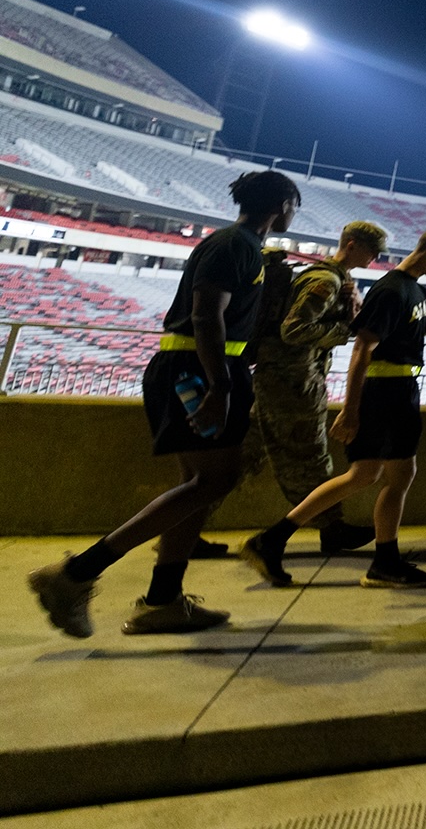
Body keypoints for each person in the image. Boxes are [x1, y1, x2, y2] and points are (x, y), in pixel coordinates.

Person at [29, 171, 303, 638]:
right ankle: (75, 574)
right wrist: (219, 387)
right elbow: (206, 315)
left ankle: (163, 600)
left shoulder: (244, 247)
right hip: (198, 369)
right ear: (282, 204)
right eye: (294, 205)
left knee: (198, 485)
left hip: (202, 366)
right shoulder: (234, 245)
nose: (294, 213)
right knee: (214, 479)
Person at [242, 225, 426, 589]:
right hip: (387, 393)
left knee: (365, 475)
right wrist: (350, 410)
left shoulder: (415, 291)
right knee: (395, 475)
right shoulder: (391, 290)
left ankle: (275, 539)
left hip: (399, 390)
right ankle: (383, 561)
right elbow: (362, 348)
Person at [241, 219, 388, 557]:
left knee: (243, 456)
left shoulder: (337, 279)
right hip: (293, 382)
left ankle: (185, 527)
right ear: (351, 245)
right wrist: (345, 330)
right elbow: (294, 330)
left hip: (284, 379)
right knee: (312, 456)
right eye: (371, 251)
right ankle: (331, 527)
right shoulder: (325, 280)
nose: (375, 258)